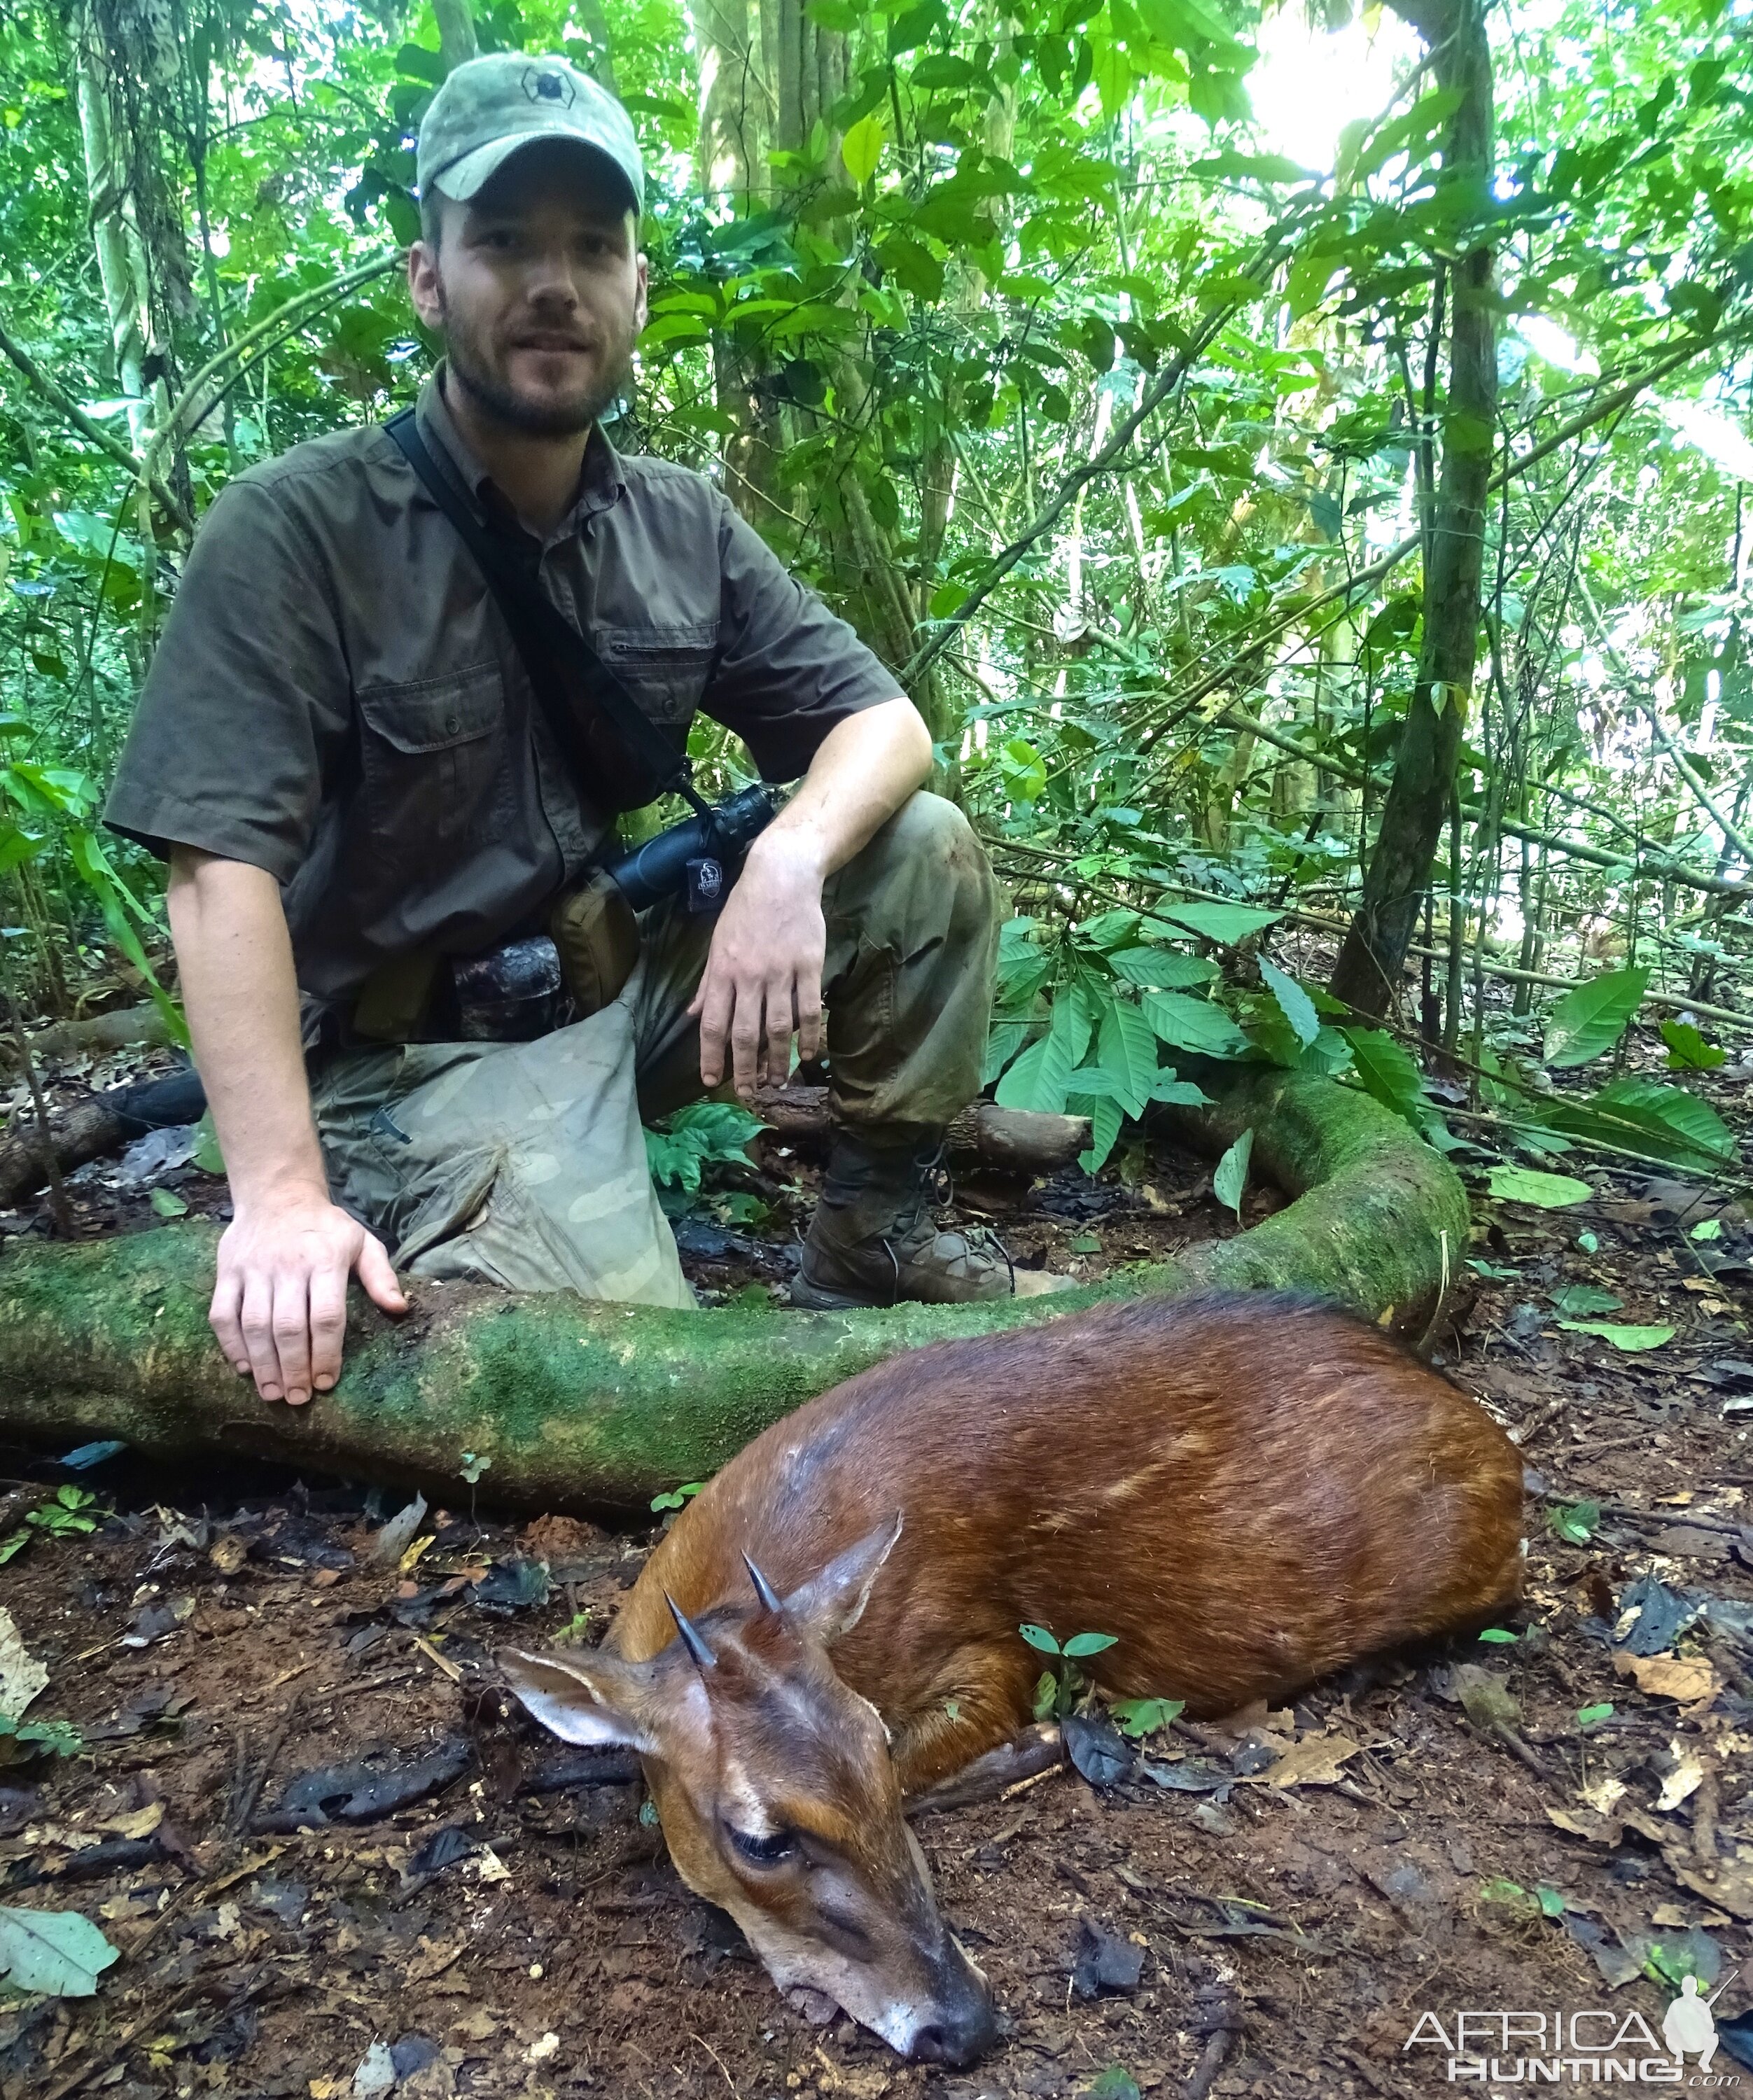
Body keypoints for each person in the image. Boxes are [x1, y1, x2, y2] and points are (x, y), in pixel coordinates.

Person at [104, 52, 1008, 1411]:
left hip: (615, 987)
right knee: (641, 1395)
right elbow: (214, 867)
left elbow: (882, 725)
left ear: (637, 289)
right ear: (429, 277)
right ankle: (505, 1201)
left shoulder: (678, 524)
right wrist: (279, 1198)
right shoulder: (298, 531)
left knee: (918, 847)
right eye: (505, 242)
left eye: (593, 246)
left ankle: (867, 1233)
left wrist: (783, 866)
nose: (552, 283)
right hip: (417, 1058)